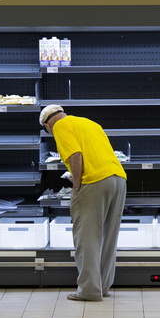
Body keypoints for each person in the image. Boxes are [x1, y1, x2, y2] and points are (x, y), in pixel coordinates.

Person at [40, 104, 127, 302]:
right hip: (118, 179)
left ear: (47, 125)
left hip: (94, 182)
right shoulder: (89, 123)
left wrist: (77, 184)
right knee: (108, 237)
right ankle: (102, 287)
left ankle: (89, 291)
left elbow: (75, 155)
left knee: (87, 238)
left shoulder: (60, 126)